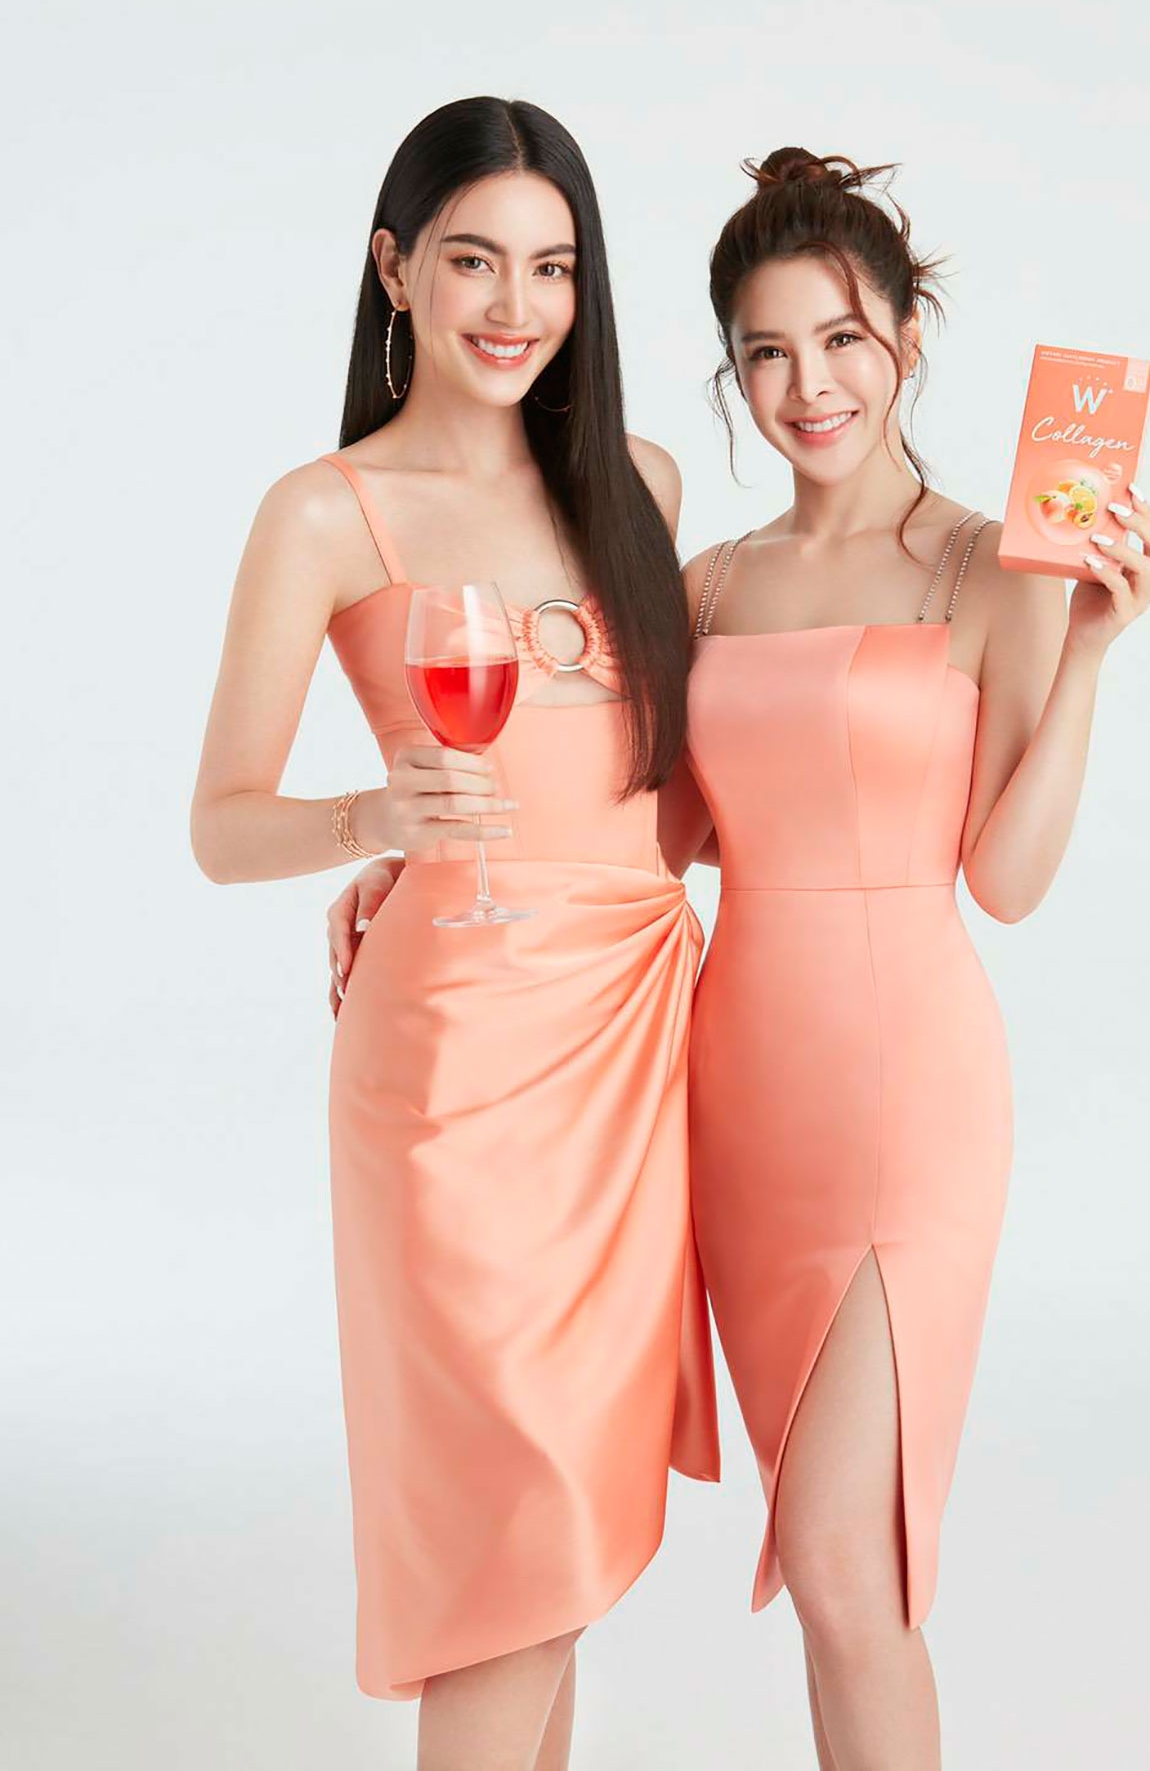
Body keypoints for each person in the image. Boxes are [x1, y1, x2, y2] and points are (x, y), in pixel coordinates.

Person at [329, 144, 1150, 1769]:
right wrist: (409, 853)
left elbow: (1007, 879)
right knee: (813, 1553)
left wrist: (1090, 658)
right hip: (727, 1088)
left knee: (854, 1566)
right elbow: (648, 817)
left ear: (906, 341)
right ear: (733, 371)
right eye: (768, 352)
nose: (809, 386)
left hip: (908, 1091)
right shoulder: (705, 585)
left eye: (843, 340)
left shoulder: (1001, 564)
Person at [191, 95, 718, 1771]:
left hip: (630, 1044)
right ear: (393, 268)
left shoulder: (637, 480)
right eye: (474, 259)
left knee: (563, 1548)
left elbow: (668, 797)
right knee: (511, 1549)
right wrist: (373, 826)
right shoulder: (326, 510)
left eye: (553, 267)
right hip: (453, 1072)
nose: (515, 303)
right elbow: (221, 822)